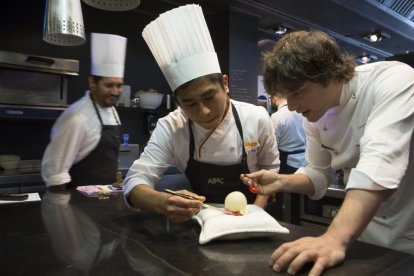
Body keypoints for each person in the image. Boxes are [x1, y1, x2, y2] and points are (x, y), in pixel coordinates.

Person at [240, 30, 414, 275]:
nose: (292, 105)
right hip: (365, 232)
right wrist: (280, 181)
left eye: (298, 92)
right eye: (285, 95)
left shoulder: (394, 80)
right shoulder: (314, 115)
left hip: (409, 231)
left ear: (329, 73)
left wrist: (334, 238)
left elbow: (380, 161)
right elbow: (317, 174)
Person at [123, 4, 280, 223]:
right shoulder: (171, 126)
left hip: (252, 215)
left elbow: (270, 172)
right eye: (189, 103)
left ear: (225, 84)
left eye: (208, 97)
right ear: (177, 101)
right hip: (201, 220)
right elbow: (134, 181)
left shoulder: (256, 117)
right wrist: (162, 202)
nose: (203, 111)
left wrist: (256, 213)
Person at [41, 33, 127, 188]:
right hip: (78, 203)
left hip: (104, 199)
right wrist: (62, 209)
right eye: (109, 85)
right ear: (92, 83)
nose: (115, 92)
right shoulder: (76, 117)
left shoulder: (111, 111)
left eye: (119, 86)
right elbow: (55, 172)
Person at [270, 93, 306, 174]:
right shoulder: (302, 112)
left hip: (286, 164)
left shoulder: (276, 116)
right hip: (305, 161)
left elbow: (273, 145)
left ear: (274, 98)